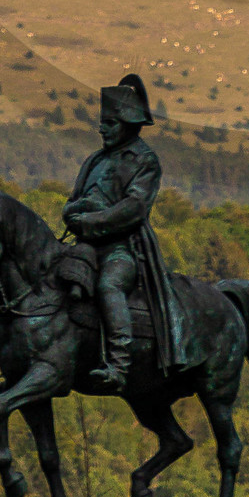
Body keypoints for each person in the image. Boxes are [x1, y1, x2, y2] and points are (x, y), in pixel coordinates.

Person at [63, 72, 193, 387]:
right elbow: (74, 200)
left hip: (124, 248)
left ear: (128, 123)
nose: (102, 128)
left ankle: (119, 365)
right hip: (85, 244)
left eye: (110, 123)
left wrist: (91, 220)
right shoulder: (95, 159)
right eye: (102, 122)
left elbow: (133, 209)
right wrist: (72, 214)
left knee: (109, 285)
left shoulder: (145, 161)